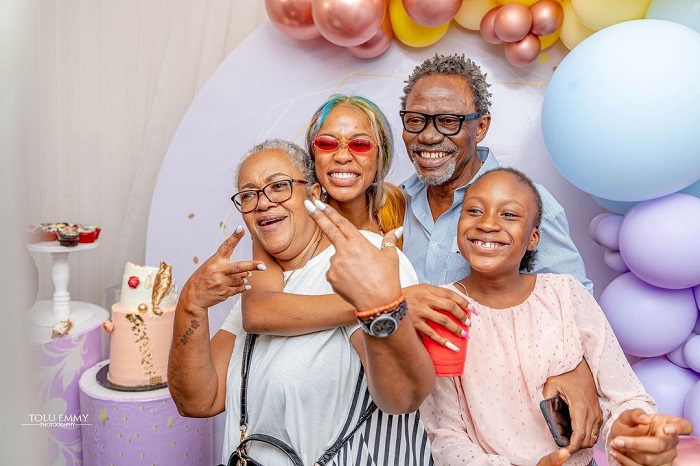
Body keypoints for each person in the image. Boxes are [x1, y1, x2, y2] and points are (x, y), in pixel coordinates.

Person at [168, 139, 435, 465]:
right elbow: (198, 401)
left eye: (278, 186)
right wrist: (191, 304)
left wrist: (380, 305)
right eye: (249, 194)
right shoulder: (256, 290)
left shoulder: (355, 259)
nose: (263, 203)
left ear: (314, 193)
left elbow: (404, 397)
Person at [419, 167, 693, 466]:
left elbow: (624, 395)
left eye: (509, 215)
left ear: (533, 237)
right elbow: (445, 434)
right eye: (474, 210)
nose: (487, 223)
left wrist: (632, 433)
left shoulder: (566, 294)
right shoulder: (440, 307)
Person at [397, 53, 603, 451]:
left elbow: (574, 304)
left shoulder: (525, 205)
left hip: (501, 431)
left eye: (449, 121)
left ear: (482, 125)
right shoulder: (394, 204)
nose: (428, 136)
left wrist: (577, 369)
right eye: (416, 120)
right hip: (406, 422)